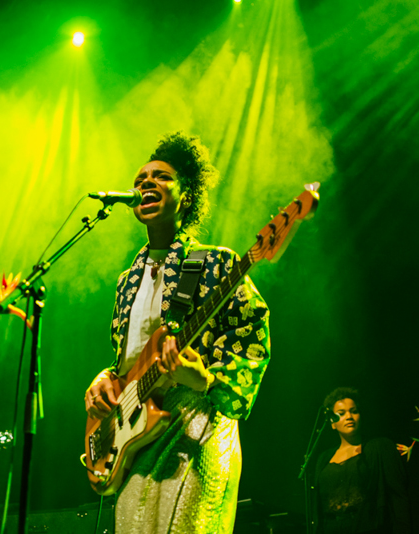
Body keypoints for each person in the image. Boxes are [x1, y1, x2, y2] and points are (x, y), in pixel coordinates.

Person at [84, 131, 271, 534]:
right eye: (140, 179)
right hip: (139, 433)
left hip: (198, 423)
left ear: (185, 195)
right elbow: (129, 361)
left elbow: (253, 335)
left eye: (162, 177)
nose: (146, 183)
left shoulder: (215, 263)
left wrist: (205, 377)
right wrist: (105, 380)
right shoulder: (126, 281)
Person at [313, 388, 411, 534]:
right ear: (332, 423)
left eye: (354, 411)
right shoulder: (323, 459)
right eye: (341, 414)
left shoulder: (379, 447)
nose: (349, 417)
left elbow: (399, 497)